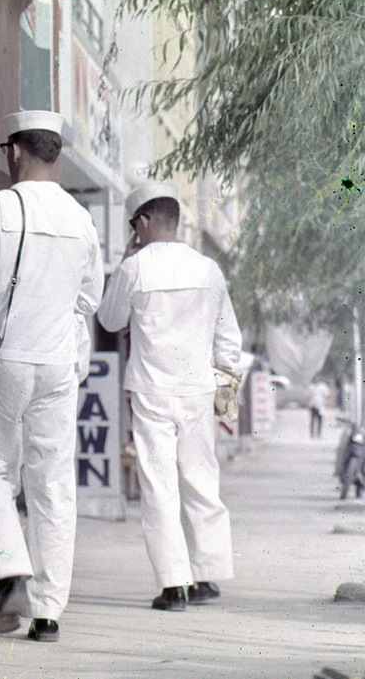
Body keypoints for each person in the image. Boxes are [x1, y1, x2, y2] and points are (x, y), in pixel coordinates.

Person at [0, 110, 104, 641]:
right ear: (56, 154)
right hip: (58, 365)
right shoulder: (82, 219)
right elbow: (89, 300)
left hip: (7, 359)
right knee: (52, 483)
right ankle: (49, 612)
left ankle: (10, 569)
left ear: (14, 152)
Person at [97, 182, 242, 611]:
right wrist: (226, 386)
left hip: (151, 391)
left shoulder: (135, 268)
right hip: (198, 389)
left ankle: (173, 585)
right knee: (201, 479)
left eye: (133, 225)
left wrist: (123, 262)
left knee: (159, 486)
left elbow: (109, 320)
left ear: (142, 222)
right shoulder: (208, 269)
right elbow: (227, 337)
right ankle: (207, 575)